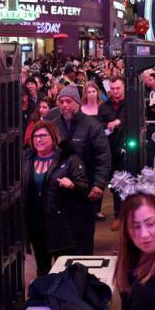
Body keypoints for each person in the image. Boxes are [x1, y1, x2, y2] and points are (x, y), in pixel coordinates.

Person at [44, 86, 111, 254]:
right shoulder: (53, 126)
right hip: (58, 194)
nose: (65, 105)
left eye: (69, 101)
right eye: (61, 102)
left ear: (78, 103)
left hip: (84, 192)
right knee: (60, 242)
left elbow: (103, 157)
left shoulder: (92, 126)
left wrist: (99, 184)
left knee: (83, 240)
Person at [23, 121, 89, 277]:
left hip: (62, 224)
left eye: (43, 135)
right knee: (42, 269)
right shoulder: (26, 160)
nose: (39, 139)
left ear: (53, 138)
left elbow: (84, 185)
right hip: (36, 225)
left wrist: (73, 185)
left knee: (66, 269)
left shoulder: (68, 159)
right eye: (36, 136)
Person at [100, 76, 128, 230]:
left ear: (124, 88)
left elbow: (129, 119)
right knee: (113, 185)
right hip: (109, 149)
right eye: (113, 88)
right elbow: (99, 124)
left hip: (127, 149)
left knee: (124, 183)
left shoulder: (131, 104)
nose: (115, 91)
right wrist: (108, 125)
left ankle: (122, 216)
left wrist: (117, 122)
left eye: (118, 88)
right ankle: (118, 214)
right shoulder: (104, 107)